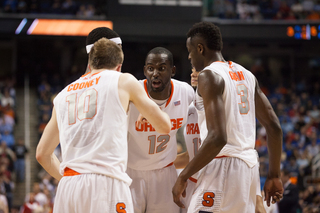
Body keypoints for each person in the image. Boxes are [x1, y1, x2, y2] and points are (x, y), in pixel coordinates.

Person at [36, 38, 171, 212]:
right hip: (106, 183)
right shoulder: (122, 80)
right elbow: (164, 127)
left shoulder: (62, 95)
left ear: (90, 65)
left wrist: (67, 179)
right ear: (119, 66)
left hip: (68, 188)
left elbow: (41, 154)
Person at [172, 21, 283, 212]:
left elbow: (218, 137)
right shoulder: (246, 74)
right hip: (248, 169)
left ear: (200, 48)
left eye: (190, 51)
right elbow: (274, 127)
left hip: (222, 166)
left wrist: (183, 176)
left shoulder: (209, 75)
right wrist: (273, 175)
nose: (189, 57)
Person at [175, 67, 267, 213]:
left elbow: (237, 149)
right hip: (192, 180)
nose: (193, 72)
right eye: (192, 69)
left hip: (217, 173)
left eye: (198, 69)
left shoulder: (224, 111)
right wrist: (159, 163)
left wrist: (257, 198)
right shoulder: (191, 108)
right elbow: (190, 155)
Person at [127, 47, 194, 213]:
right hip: (131, 172)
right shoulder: (130, 92)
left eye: (161, 68)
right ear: (145, 71)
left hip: (165, 173)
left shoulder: (185, 92)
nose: (155, 73)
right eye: (150, 68)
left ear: (172, 70)